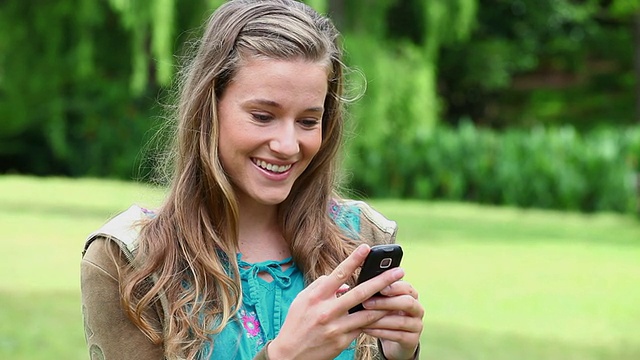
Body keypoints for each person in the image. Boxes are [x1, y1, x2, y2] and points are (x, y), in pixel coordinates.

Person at [80, 0, 424, 359]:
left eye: (308, 121)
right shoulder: (129, 260)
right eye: (262, 116)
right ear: (209, 107)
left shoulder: (359, 238)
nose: (288, 145)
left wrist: (399, 354)